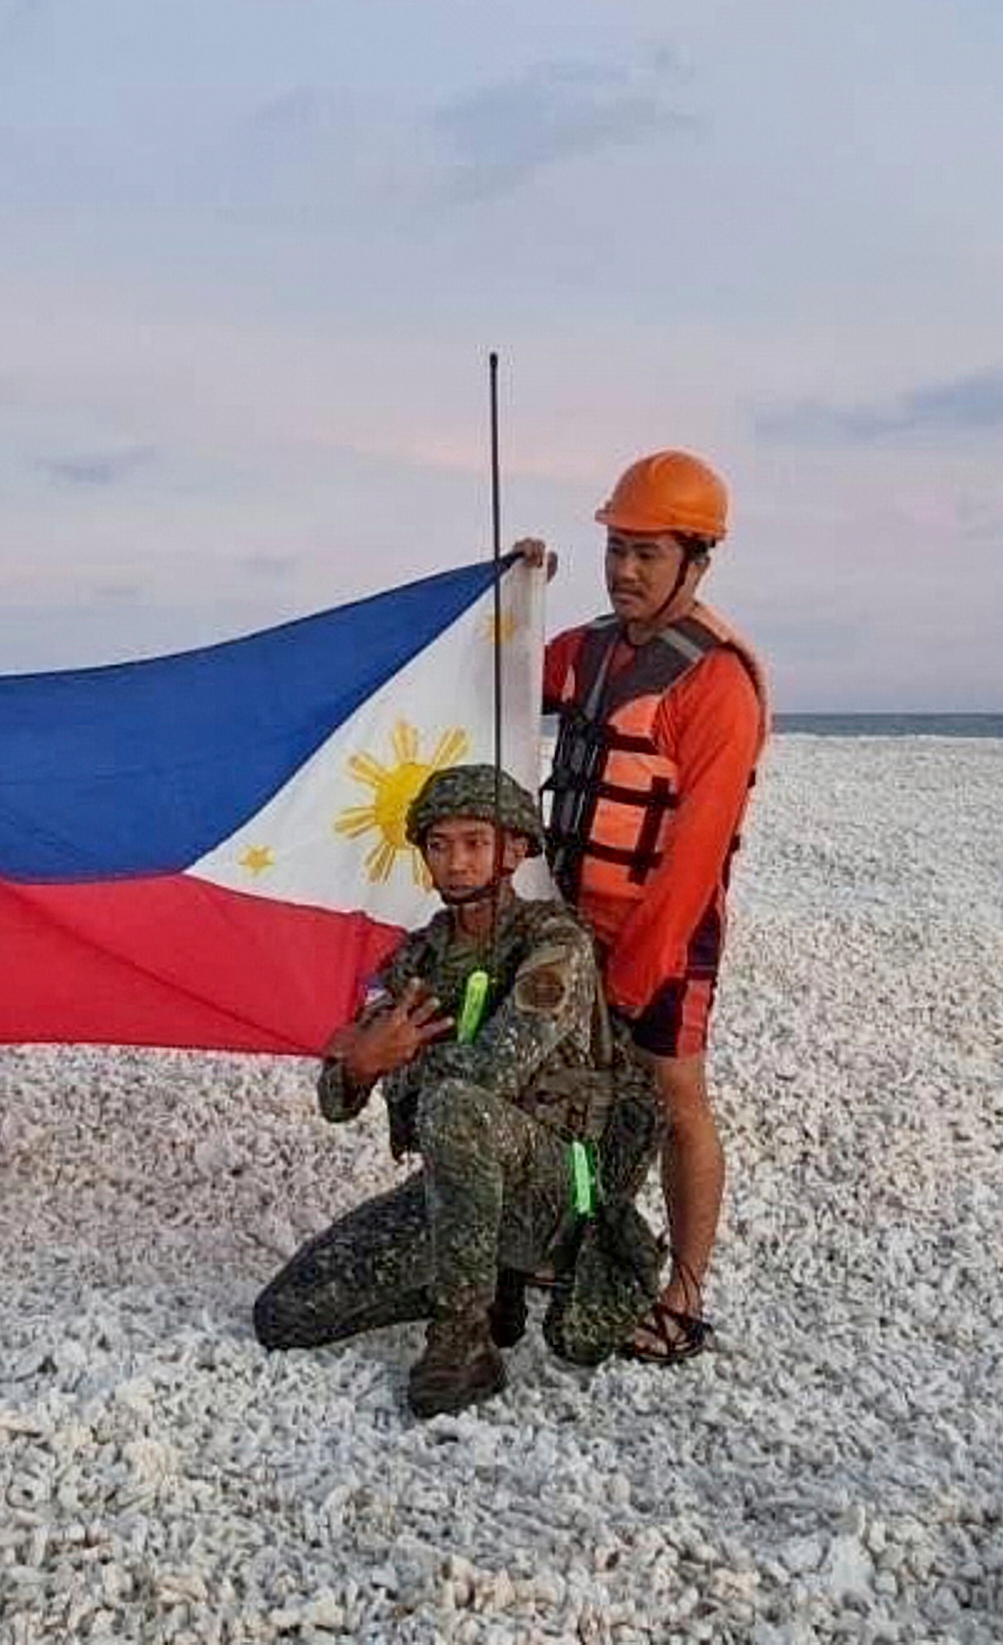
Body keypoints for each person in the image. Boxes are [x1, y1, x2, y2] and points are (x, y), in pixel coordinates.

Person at [252, 765, 666, 1418]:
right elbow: (336, 1099)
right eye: (438, 844)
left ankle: (462, 1342)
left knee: (453, 1105)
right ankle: (478, 1279)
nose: (455, 860)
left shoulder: (554, 944)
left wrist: (390, 1053)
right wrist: (362, 1065)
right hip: (458, 1191)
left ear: (512, 849)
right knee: (286, 1315)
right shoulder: (418, 958)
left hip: (554, 1191)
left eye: (474, 842)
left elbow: (494, 1071)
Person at [535, 449, 770, 1365]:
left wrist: (633, 977)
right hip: (569, 915)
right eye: (615, 549)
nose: (626, 570)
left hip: (661, 928)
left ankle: (682, 1293)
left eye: (647, 553)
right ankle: (564, 1244)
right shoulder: (588, 652)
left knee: (675, 1097)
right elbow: (507, 670)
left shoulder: (715, 684)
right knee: (563, 1092)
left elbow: (694, 855)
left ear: (696, 559)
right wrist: (518, 592)